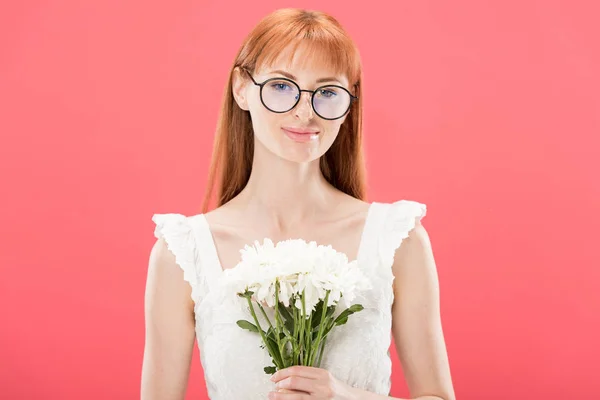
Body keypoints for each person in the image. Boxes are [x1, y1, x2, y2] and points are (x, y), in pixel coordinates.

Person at [141, 8, 455, 400]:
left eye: (327, 92)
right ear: (242, 87)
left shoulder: (397, 238)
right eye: (281, 86)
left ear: (349, 105)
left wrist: (346, 396)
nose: (305, 112)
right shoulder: (183, 251)